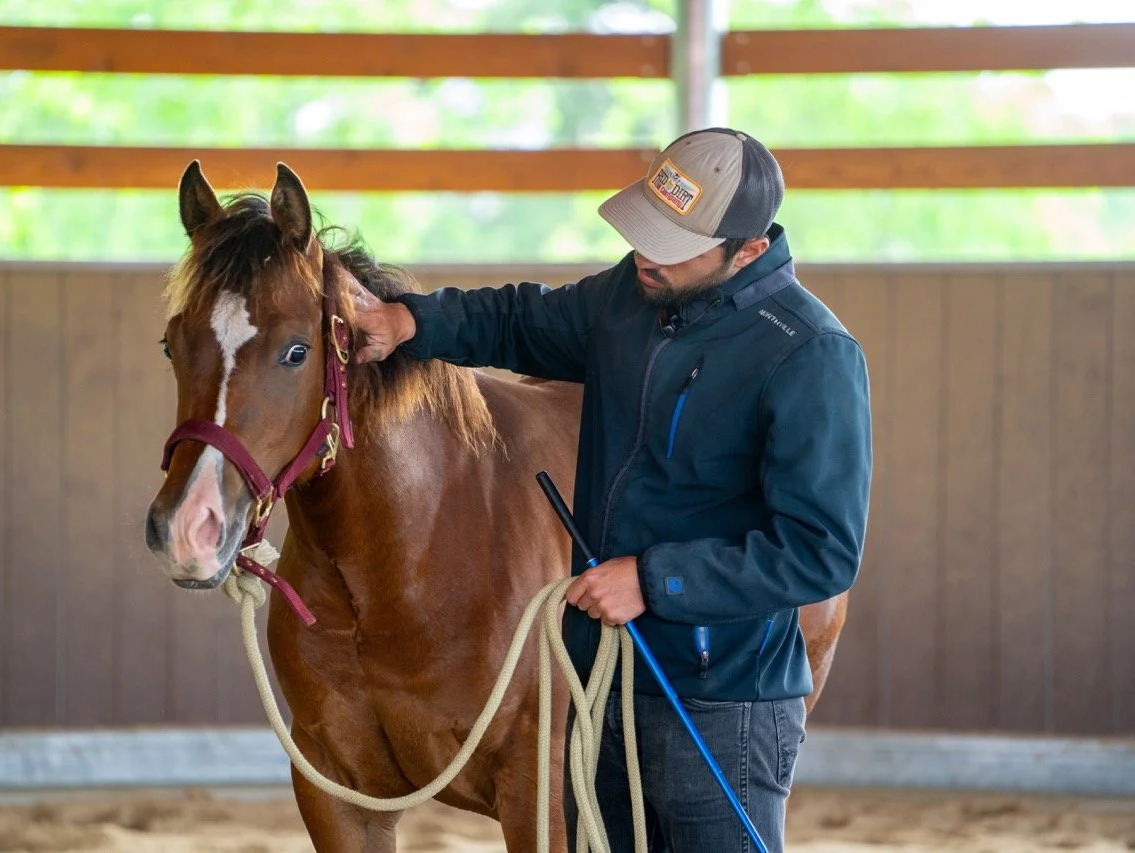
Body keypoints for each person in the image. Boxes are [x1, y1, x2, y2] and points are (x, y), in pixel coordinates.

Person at [353, 127, 872, 852]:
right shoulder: (629, 299)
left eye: (673, 243)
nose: (645, 254)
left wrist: (653, 582)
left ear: (748, 249)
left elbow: (819, 556)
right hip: (605, 683)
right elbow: (520, 317)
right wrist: (411, 319)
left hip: (723, 701)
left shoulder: (810, 353)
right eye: (644, 232)